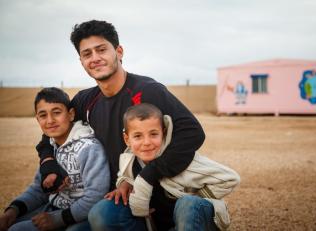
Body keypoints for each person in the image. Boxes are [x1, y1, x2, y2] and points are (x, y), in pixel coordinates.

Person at [35, 20, 206, 230]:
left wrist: (147, 176)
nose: (95, 58)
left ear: (119, 51)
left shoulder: (149, 91)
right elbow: (54, 129)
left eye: (101, 50)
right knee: (95, 218)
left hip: (166, 195)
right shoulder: (85, 100)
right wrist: (48, 162)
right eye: (87, 54)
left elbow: (192, 133)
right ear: (81, 61)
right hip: (121, 201)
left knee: (188, 214)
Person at [114, 103, 240, 230]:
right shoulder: (129, 160)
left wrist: (198, 196)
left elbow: (230, 178)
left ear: (162, 133)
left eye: (153, 134)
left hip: (197, 220)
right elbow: (124, 175)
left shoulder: (181, 161)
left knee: (188, 203)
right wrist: (123, 183)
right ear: (127, 139)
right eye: (137, 136)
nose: (146, 142)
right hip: (164, 224)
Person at [0, 87, 110, 231]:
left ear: (71, 114)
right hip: (52, 208)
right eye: (43, 115)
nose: (50, 120)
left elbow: (96, 196)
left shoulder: (89, 148)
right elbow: (39, 190)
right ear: (37, 119)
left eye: (57, 113)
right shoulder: (51, 148)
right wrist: (13, 210)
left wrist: (57, 219)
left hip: (79, 216)